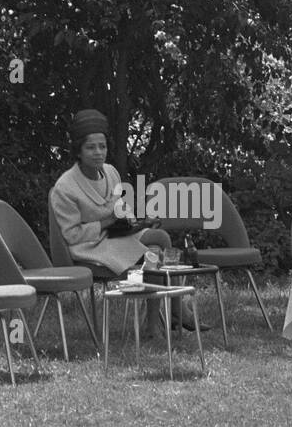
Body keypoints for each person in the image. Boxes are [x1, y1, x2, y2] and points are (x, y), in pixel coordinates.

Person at [50, 109, 189, 331]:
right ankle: (158, 323)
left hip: (116, 236)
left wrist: (138, 222)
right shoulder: (65, 188)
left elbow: (120, 208)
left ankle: (174, 310)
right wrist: (106, 222)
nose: (98, 153)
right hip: (90, 248)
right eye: (90, 147)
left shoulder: (111, 172)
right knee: (154, 255)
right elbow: (71, 235)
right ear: (78, 151)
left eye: (102, 147)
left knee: (160, 237)